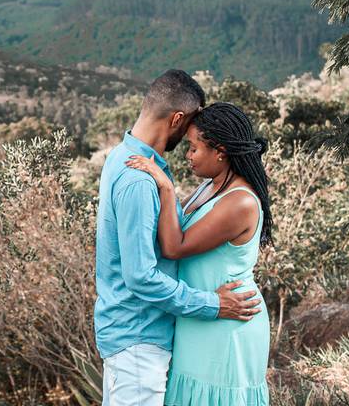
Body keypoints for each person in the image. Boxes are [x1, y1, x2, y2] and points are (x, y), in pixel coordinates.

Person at [95, 71, 261, 406]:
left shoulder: (121, 158)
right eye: (189, 133)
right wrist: (212, 303)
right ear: (177, 118)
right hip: (140, 337)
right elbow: (141, 276)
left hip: (142, 333)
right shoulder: (140, 179)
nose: (189, 146)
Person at [127, 102, 271, 405]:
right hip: (204, 313)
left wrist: (166, 188)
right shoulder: (210, 186)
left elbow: (174, 246)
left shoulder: (240, 202)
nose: (188, 155)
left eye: (194, 148)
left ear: (219, 150)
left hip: (229, 321)